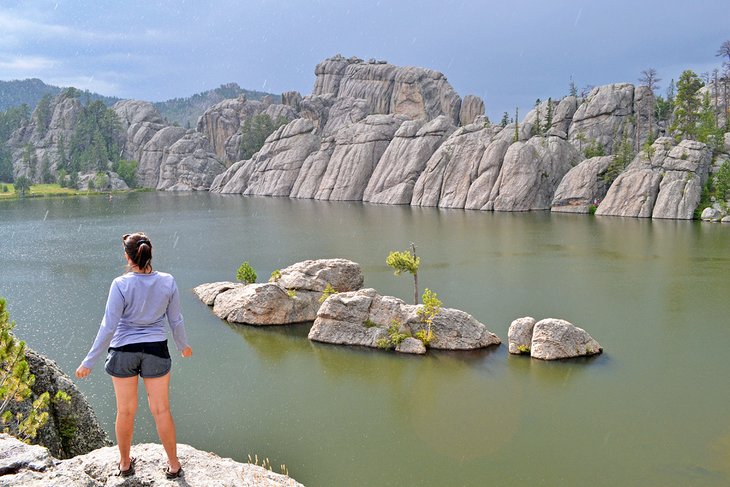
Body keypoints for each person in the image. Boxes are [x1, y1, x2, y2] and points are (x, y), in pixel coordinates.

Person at [76, 232, 192, 479]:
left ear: (128, 258)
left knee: (125, 411)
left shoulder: (120, 284)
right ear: (149, 254)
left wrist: (89, 361)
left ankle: (125, 464)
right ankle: (173, 465)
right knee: (161, 410)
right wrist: (183, 345)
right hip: (155, 350)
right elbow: (176, 319)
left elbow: (108, 326)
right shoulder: (168, 281)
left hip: (123, 351)